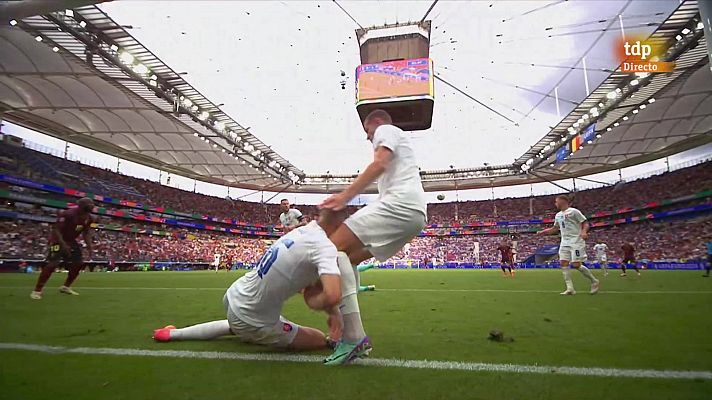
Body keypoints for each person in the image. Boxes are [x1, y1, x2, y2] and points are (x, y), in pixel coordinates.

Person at [152, 209, 346, 351]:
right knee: (319, 339)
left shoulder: (304, 231)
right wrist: (328, 312)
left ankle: (173, 333)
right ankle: (328, 341)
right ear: (340, 226)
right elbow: (333, 295)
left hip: (235, 294)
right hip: (252, 317)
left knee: (235, 325)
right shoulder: (324, 247)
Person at [319, 109, 427, 365]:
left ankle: (353, 336)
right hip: (413, 216)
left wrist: (344, 197)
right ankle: (348, 328)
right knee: (346, 258)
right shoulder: (402, 146)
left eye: (368, 133)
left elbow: (380, 163)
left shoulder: (386, 130)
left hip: (399, 205)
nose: (369, 139)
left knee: (329, 251)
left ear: (375, 124)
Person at [30, 198, 94, 300]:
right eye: (89, 203)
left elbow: (86, 233)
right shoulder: (68, 214)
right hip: (57, 240)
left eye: (92, 204)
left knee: (78, 263)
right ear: (81, 205)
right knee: (52, 264)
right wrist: (63, 244)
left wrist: (90, 247)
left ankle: (66, 287)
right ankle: (37, 290)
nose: (92, 205)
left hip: (71, 241)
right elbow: (56, 229)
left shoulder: (89, 218)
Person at [537, 194, 599, 295]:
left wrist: (584, 231)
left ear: (562, 201)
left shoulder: (574, 211)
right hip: (564, 241)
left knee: (576, 265)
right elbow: (555, 228)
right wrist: (543, 232)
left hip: (576, 241)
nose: (555, 203)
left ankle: (594, 281)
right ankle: (570, 288)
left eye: (556, 201)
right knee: (563, 263)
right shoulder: (558, 215)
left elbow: (585, 223)